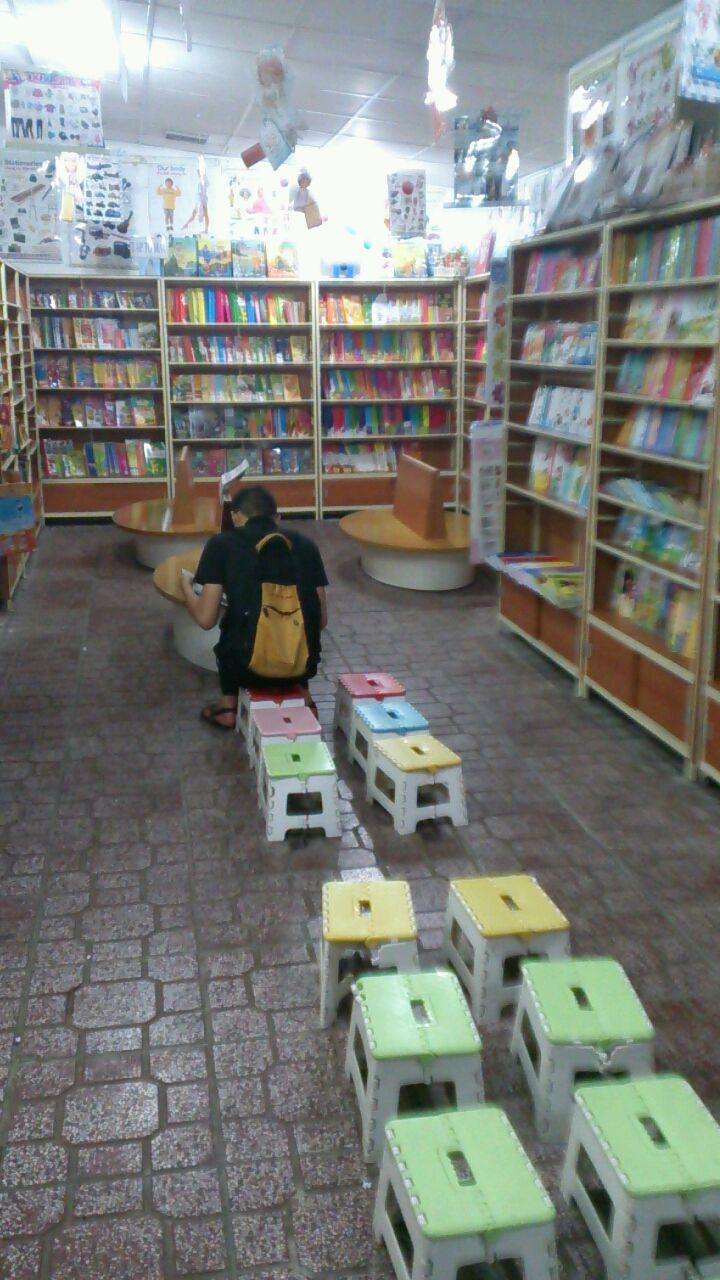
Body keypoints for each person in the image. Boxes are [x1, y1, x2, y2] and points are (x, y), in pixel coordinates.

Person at [180, 486, 328, 730]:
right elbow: (321, 620)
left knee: (233, 628)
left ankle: (228, 705)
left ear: (235, 516)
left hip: (245, 666)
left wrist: (186, 586)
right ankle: (304, 697)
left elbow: (206, 619)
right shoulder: (306, 545)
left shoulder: (222, 544)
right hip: (301, 662)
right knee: (298, 630)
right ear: (277, 518)